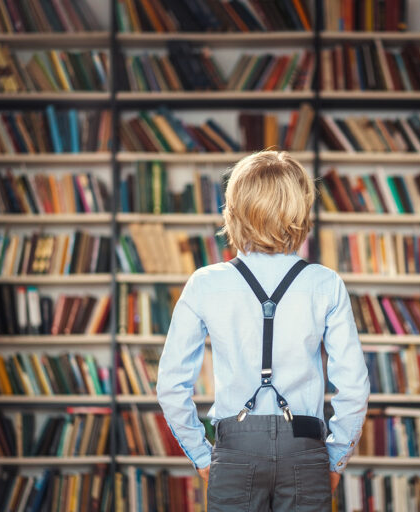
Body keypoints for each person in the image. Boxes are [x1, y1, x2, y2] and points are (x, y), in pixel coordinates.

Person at [156, 150, 370, 511]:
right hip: (306, 450)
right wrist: (334, 460)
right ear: (301, 210)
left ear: (234, 210)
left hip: (235, 451)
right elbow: (355, 387)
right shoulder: (325, 283)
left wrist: (201, 456)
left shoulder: (205, 283)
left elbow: (170, 385)